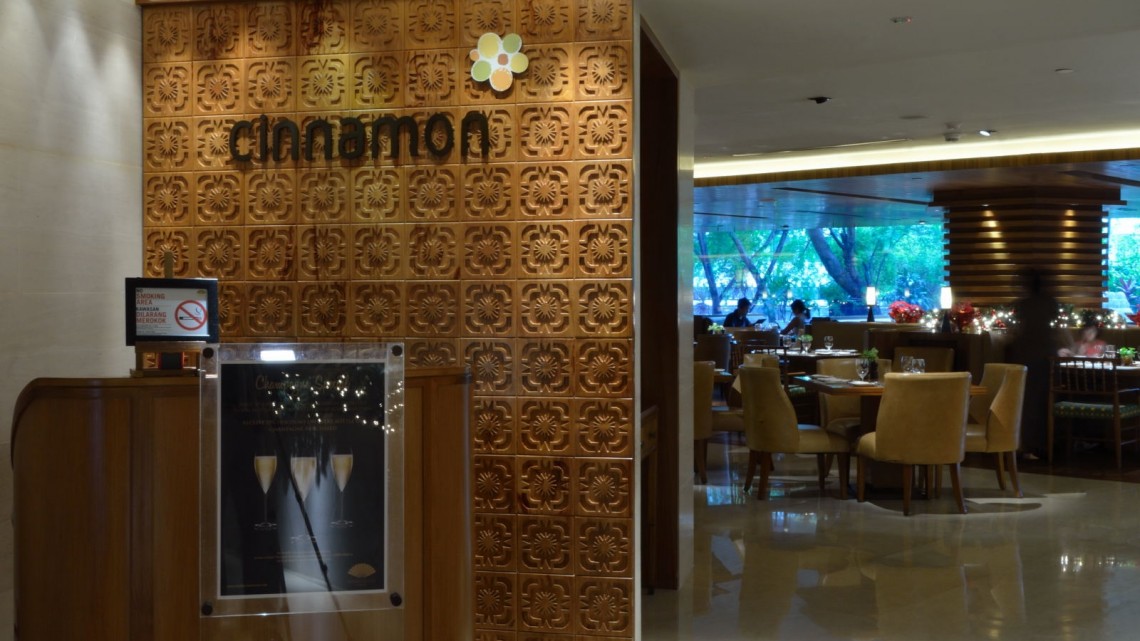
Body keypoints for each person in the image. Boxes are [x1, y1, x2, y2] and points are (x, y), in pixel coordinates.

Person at [1006, 269, 1066, 460]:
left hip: (1024, 354)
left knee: (1027, 402)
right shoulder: (1051, 303)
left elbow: (1017, 330)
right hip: (1046, 355)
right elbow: (1057, 329)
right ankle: (1044, 444)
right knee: (1043, 401)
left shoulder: (1023, 305)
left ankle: (1026, 445)